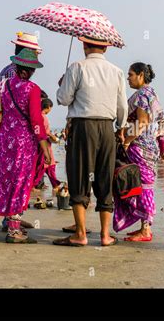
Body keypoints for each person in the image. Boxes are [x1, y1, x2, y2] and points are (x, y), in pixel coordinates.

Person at [54, 35, 128, 247]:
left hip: (82, 127)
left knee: (79, 177)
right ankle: (105, 235)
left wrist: (63, 84)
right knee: (104, 178)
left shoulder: (77, 67)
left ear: (84, 45)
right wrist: (121, 128)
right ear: (106, 48)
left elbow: (62, 99)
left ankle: (80, 234)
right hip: (107, 128)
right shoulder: (117, 71)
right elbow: (122, 106)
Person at [0, 49, 51, 244]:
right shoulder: (33, 89)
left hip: (5, 140)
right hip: (23, 144)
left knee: (8, 180)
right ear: (30, 70)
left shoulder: (4, 86)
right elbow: (36, 120)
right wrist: (45, 145)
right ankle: (15, 231)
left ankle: (9, 220)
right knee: (20, 182)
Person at [113, 62, 164, 242]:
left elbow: (142, 123)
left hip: (140, 147)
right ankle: (144, 226)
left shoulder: (142, 95)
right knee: (142, 185)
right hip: (151, 146)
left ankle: (146, 230)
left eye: (131, 75)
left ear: (141, 75)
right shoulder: (153, 94)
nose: (128, 78)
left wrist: (126, 142)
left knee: (141, 186)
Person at [41, 98, 61, 192]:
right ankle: (56, 187)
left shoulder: (38, 116)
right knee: (50, 167)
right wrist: (53, 137)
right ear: (48, 107)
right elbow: (45, 132)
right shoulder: (43, 117)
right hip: (45, 145)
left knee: (41, 168)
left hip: (40, 145)